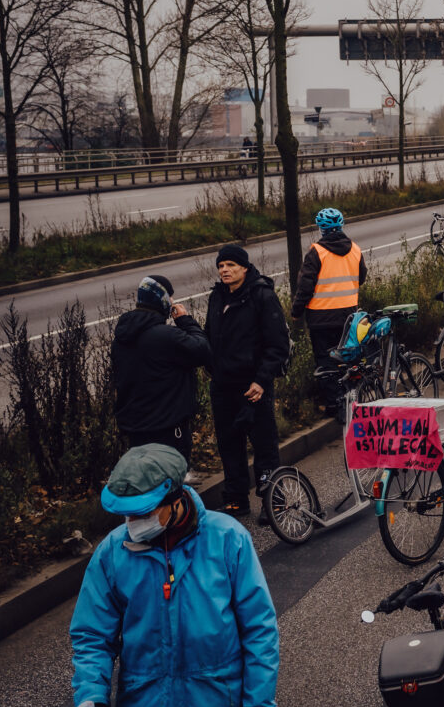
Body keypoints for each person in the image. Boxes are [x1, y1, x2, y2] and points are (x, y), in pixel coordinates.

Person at [69, 444, 278, 707]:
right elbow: (92, 633)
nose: (133, 523)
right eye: (128, 514)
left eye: (144, 512)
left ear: (176, 498)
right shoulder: (112, 552)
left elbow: (259, 631)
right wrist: (91, 696)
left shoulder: (228, 540)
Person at [205, 245, 290, 521]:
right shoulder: (217, 297)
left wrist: (261, 381)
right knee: (230, 446)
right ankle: (236, 501)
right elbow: (210, 336)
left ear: (244, 267)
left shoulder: (261, 295)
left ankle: (274, 502)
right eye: (221, 266)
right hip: (223, 386)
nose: (225, 270)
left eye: (230, 265)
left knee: (264, 446)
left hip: (253, 387)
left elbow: (277, 345)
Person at [111, 274, 212, 460]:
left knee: (144, 478)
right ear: (163, 300)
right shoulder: (166, 336)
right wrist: (185, 320)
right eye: (170, 297)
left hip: (135, 428)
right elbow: (202, 351)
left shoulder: (121, 338)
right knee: (170, 478)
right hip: (167, 427)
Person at [290, 207, 367, 414]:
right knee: (347, 358)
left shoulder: (316, 252)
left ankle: (334, 404)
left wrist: (296, 311)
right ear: (341, 225)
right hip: (348, 316)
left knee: (326, 362)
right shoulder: (355, 249)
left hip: (320, 318)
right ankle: (351, 398)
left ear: (321, 229)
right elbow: (362, 277)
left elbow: (305, 286)